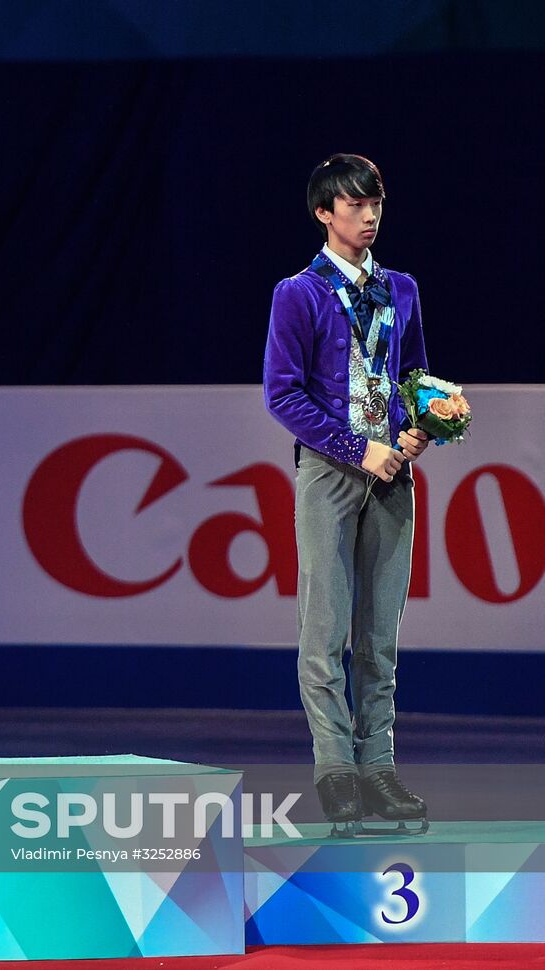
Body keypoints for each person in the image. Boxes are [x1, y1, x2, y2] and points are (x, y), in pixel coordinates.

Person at [263, 153, 432, 835]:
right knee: (325, 631)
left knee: (380, 637)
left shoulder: (402, 290)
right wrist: (358, 449)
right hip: (331, 475)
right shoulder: (297, 294)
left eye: (375, 203)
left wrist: (420, 428)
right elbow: (282, 394)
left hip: (393, 475)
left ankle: (378, 768)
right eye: (355, 204)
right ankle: (336, 770)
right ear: (323, 213)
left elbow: (415, 376)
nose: (369, 215)